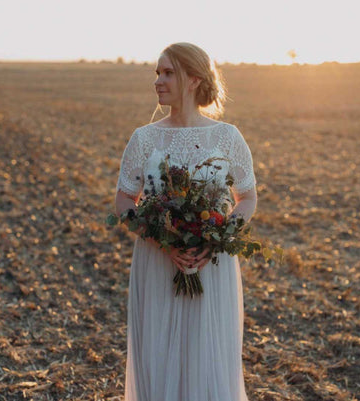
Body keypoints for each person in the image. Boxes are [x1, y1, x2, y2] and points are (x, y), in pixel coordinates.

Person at [115, 42, 257, 401]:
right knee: (159, 352)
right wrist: (163, 242)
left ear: (194, 79)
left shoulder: (227, 136)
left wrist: (218, 239)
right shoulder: (144, 137)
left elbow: (248, 198)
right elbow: (123, 200)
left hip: (213, 264)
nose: (158, 82)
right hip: (158, 261)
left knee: (210, 356)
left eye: (167, 73)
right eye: (157, 74)